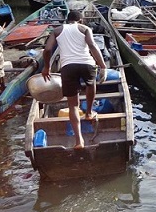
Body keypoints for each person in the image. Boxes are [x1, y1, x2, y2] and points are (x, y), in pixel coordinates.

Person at [42, 10, 107, 149]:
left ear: (67, 20)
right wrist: (102, 65)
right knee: (91, 84)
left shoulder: (57, 30)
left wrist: (46, 68)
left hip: (68, 67)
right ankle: (89, 113)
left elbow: (47, 50)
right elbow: (92, 46)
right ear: (80, 20)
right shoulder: (85, 28)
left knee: (73, 106)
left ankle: (79, 141)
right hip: (87, 64)